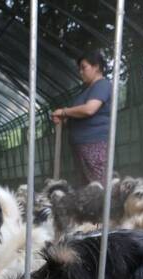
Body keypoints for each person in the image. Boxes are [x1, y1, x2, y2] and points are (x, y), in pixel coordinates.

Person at [52, 51, 112, 185]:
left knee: (98, 185)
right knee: (87, 186)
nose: (81, 72)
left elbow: (90, 109)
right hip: (80, 145)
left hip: (94, 144)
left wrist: (64, 112)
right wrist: (62, 120)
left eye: (84, 67)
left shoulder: (102, 85)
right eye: (79, 69)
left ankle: (104, 206)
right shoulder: (85, 91)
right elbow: (77, 116)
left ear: (96, 66)